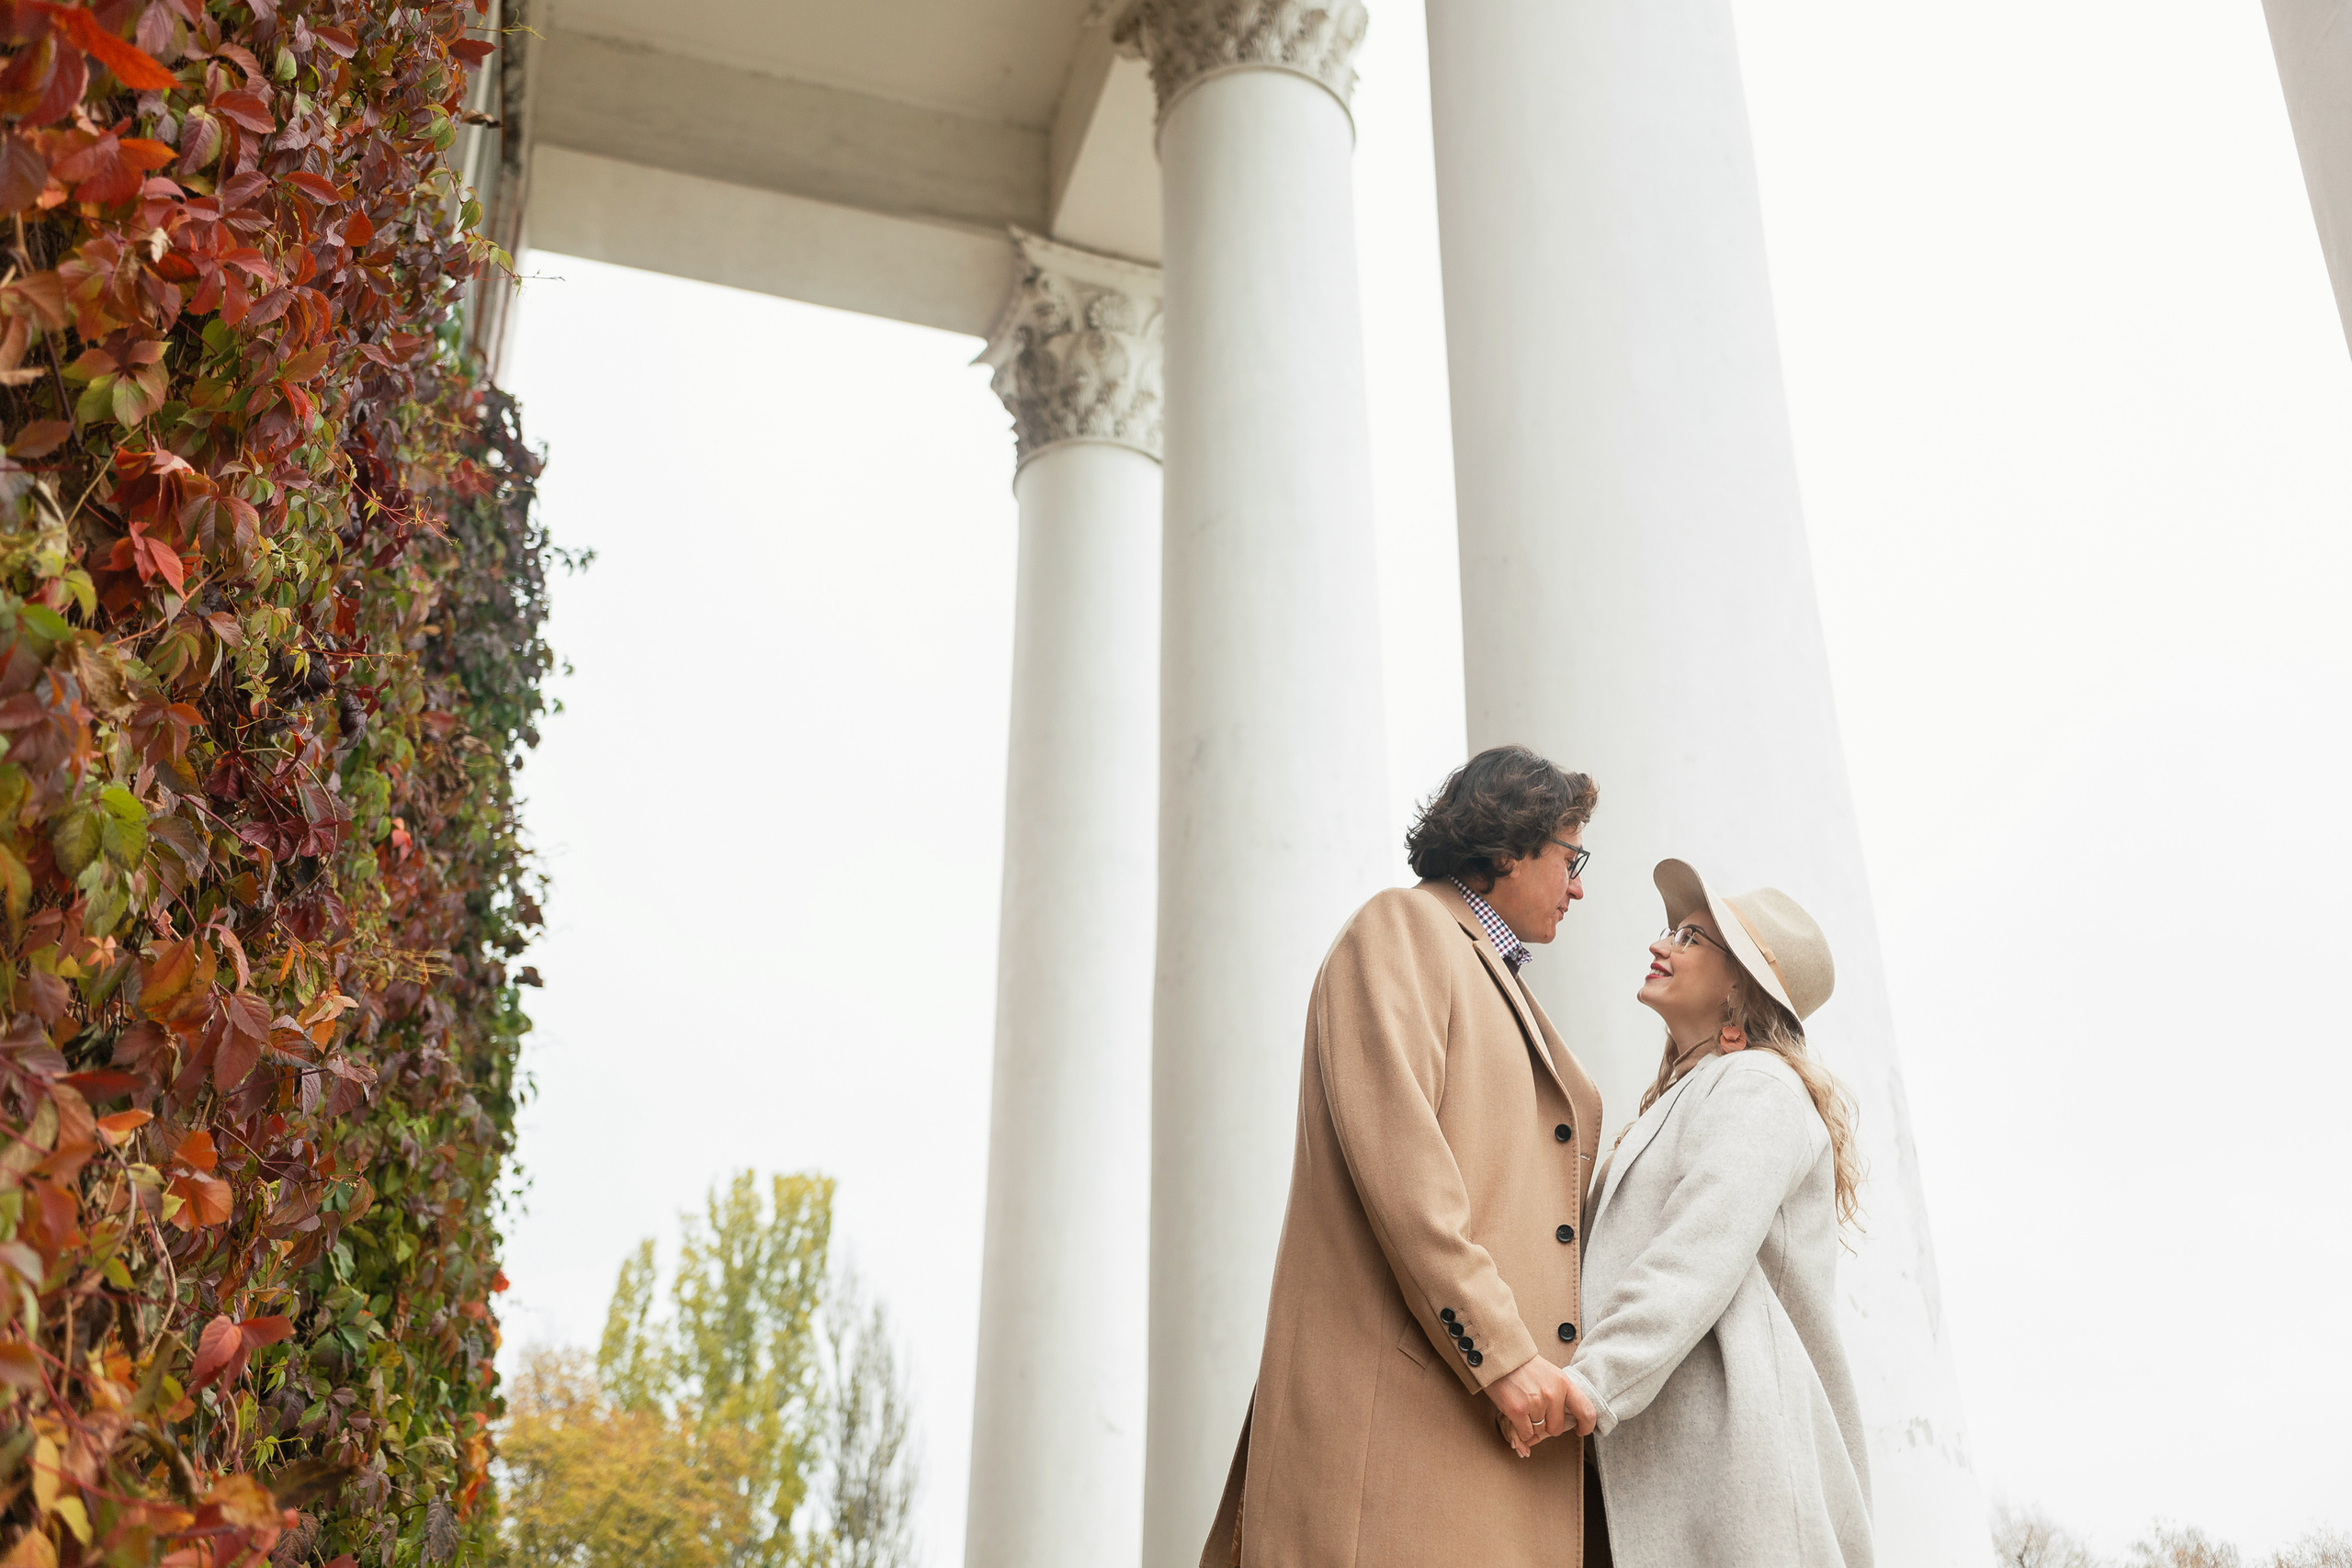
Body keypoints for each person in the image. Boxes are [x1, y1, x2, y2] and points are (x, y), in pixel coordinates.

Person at [1199, 744, 1609, 1568]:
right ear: (1508, 845)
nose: (1579, 885)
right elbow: (1406, 1172)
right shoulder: (1402, 928)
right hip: (1419, 1428)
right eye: (1572, 855)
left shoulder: (1492, 973)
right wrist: (1502, 1351)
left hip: (1495, 1436)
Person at [1563, 858, 1874, 1568]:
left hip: (1736, 1476)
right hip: (1655, 1471)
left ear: (1742, 986)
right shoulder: (1683, 1098)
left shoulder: (1758, 1085)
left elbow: (1695, 1253)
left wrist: (1589, 1381)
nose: (1660, 944)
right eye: (1672, 929)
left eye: (1692, 938)